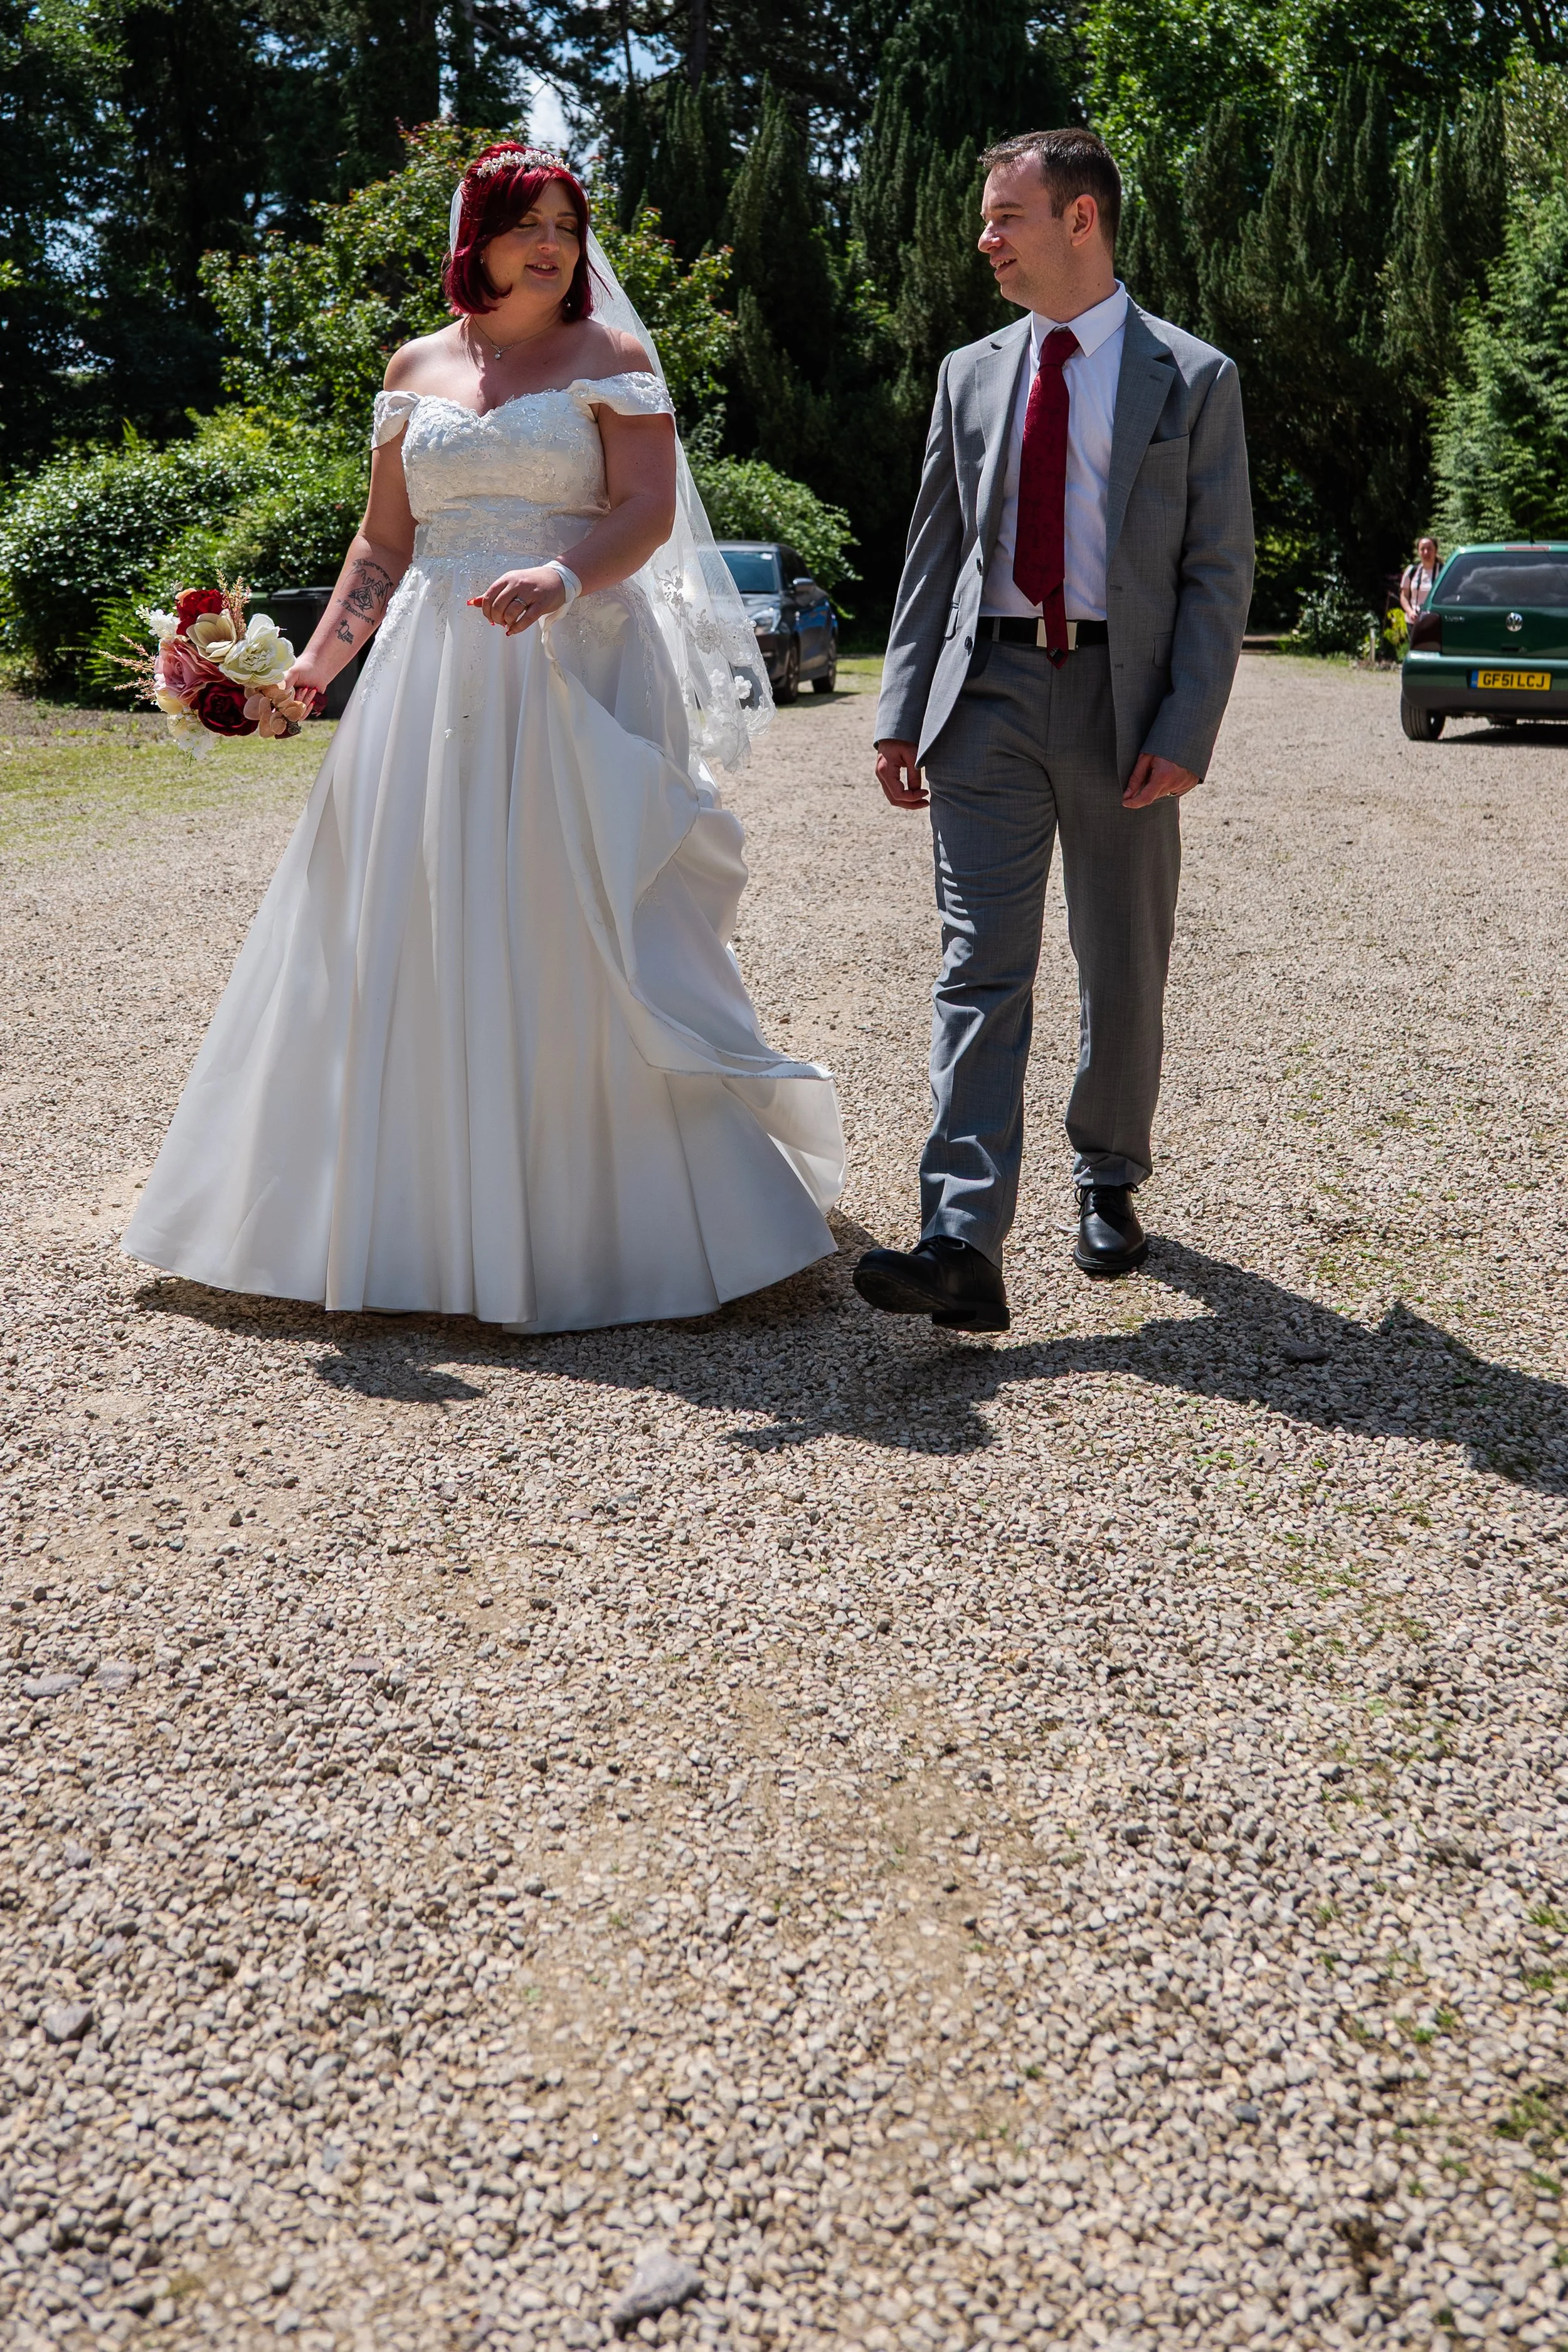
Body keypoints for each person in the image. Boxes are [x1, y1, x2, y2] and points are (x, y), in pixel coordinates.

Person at [122, 144, 843, 1333]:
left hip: (572, 661)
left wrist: (564, 574)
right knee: (405, 917)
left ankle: (610, 1223)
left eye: (566, 224)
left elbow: (647, 508)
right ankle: (414, 1219)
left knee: (570, 917)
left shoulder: (613, 358)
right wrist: (312, 668)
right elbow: (383, 541)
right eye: (526, 225)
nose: (552, 245)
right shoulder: (415, 367)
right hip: (428, 670)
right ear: (479, 238)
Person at [852, 129, 1254, 1335]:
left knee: (1121, 959)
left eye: (1005, 217)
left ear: (1081, 219)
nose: (985, 239)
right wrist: (900, 711)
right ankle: (960, 1240)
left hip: (1124, 704)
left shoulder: (1194, 378)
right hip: (985, 699)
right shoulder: (970, 374)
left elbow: (1218, 571)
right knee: (978, 966)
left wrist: (1187, 725)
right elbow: (933, 551)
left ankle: (1108, 1175)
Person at [1401, 536, 1439, 621]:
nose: (1426, 552)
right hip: (1414, 622)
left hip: (1436, 622)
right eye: (1422, 549)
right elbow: (1404, 596)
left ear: (1436, 550)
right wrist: (1410, 612)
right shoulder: (1412, 571)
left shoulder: (1443, 571)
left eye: (1429, 549)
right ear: (1418, 552)